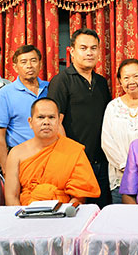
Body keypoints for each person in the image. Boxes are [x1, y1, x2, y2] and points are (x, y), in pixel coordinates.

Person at [48, 28, 112, 207]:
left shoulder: (101, 82)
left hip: (102, 163)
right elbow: (56, 123)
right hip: (75, 163)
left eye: (93, 48)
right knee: (77, 213)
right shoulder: (61, 81)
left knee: (102, 212)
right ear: (72, 51)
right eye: (83, 48)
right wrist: (71, 157)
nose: (89, 53)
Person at [4, 98, 101, 206]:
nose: (46, 122)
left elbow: (79, 197)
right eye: (40, 117)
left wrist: (65, 212)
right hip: (26, 212)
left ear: (59, 121)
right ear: (30, 122)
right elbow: (11, 196)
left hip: (63, 212)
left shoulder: (73, 151)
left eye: (51, 117)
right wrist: (23, 216)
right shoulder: (16, 154)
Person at [101, 59, 138, 203]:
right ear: (120, 81)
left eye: (136, 76)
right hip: (121, 179)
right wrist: (126, 167)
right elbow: (107, 142)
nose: (131, 81)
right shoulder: (113, 107)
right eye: (126, 78)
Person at [0, 44, 50, 174]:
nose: (29, 66)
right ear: (15, 67)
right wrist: (7, 170)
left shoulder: (50, 88)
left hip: (51, 157)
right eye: (23, 62)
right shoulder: (6, 93)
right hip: (22, 159)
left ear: (40, 64)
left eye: (33, 60)